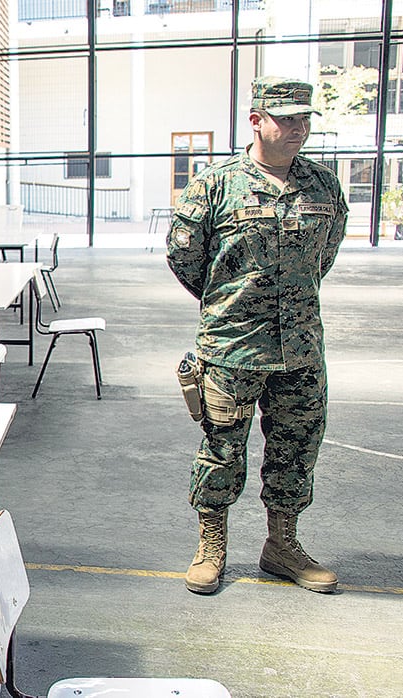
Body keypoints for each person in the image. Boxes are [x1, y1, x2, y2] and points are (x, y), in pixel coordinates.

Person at [167, 76, 348, 595]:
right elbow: (186, 258)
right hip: (231, 346)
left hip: (301, 346)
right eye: (287, 118)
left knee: (296, 450)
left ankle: (282, 545)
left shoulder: (323, 185)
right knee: (222, 450)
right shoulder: (215, 184)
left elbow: (324, 255)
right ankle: (211, 545)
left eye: (305, 118)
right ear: (256, 120)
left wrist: (287, 300)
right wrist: (233, 303)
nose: (299, 128)